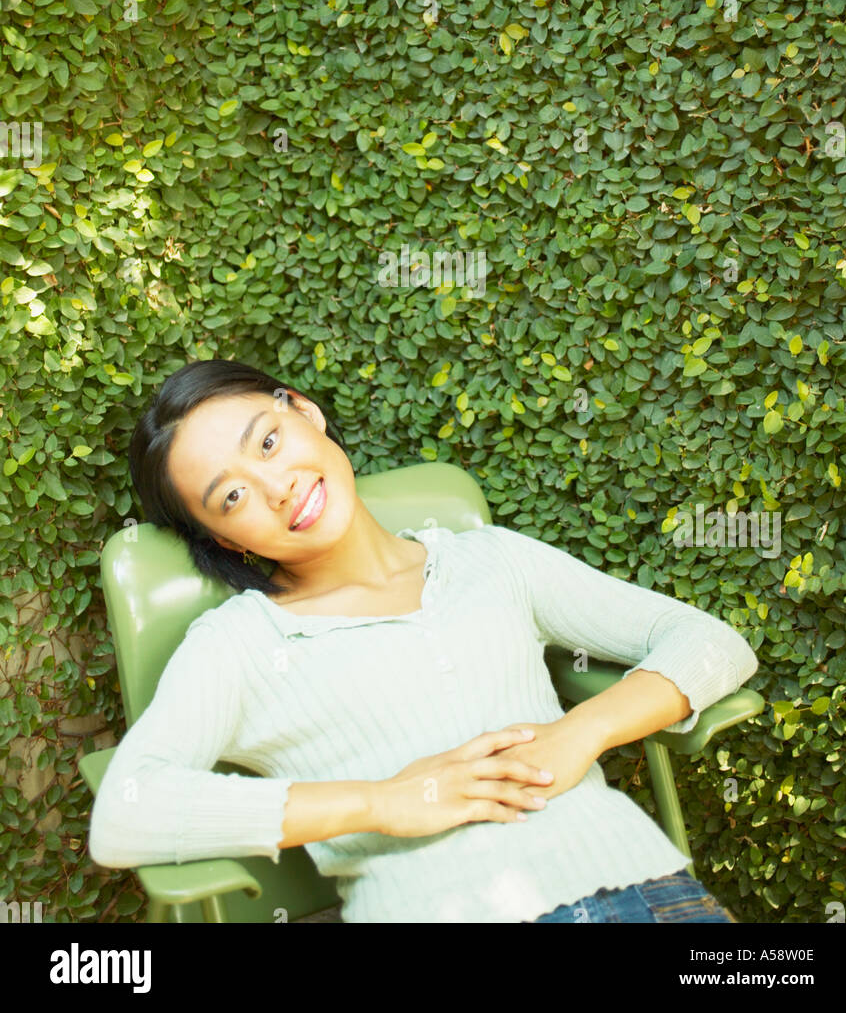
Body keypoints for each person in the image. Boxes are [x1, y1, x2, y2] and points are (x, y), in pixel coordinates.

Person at [88, 358, 760, 924]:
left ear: (304, 412)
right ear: (226, 541)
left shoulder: (491, 562)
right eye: (232, 498)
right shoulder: (242, 643)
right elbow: (127, 812)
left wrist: (582, 732)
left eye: (267, 442)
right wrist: (381, 801)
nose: (278, 486)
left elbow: (709, 641)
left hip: (648, 895)